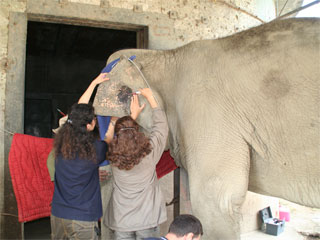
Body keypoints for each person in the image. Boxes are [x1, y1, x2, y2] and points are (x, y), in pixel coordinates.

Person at [50, 73, 110, 240]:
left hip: (58, 215)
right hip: (82, 219)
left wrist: (94, 83)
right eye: (94, 120)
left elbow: (76, 115)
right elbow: (110, 138)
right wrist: (116, 121)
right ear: (89, 125)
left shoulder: (62, 142)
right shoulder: (96, 150)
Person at [103, 88, 169, 240]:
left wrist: (131, 117)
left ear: (117, 136)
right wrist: (151, 98)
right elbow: (161, 128)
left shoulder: (112, 155)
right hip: (147, 219)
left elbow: (115, 135)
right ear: (137, 132)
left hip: (121, 220)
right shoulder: (149, 153)